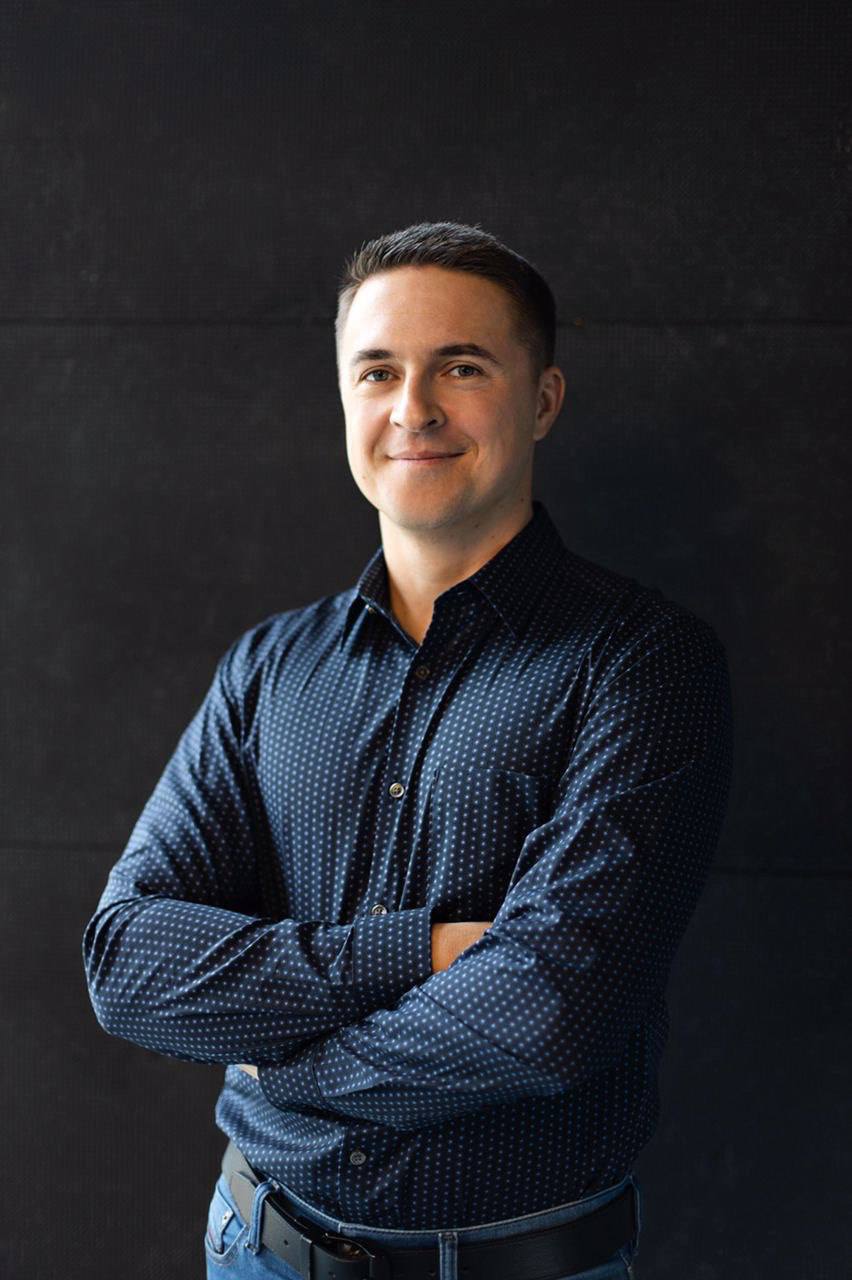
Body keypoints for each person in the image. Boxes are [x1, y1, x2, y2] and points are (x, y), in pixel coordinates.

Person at [82, 220, 733, 1280]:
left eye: (461, 367)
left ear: (544, 398)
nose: (413, 408)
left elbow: (543, 1012)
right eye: (377, 370)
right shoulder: (268, 667)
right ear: (345, 398)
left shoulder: (645, 665)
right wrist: (420, 953)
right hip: (256, 1248)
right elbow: (126, 961)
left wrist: (278, 1069)